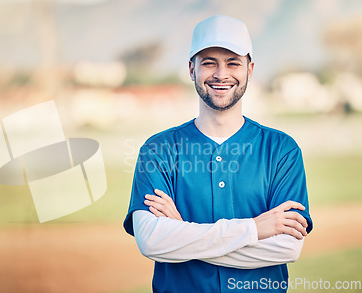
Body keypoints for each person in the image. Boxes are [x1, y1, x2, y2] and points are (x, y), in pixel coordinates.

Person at [123, 15, 313, 293]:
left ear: (250, 69)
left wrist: (183, 231)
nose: (221, 74)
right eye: (209, 62)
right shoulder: (158, 149)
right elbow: (152, 241)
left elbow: (287, 248)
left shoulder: (282, 150)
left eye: (233, 62)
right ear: (191, 69)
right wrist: (253, 229)